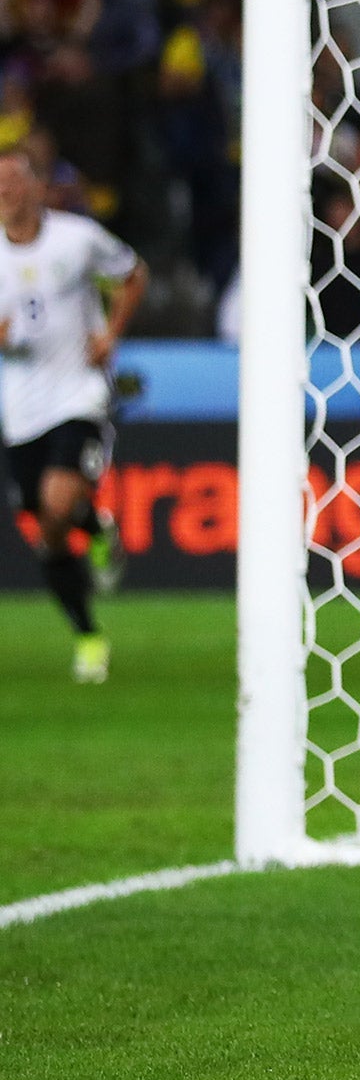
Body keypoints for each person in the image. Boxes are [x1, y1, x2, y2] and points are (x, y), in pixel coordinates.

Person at [0, 149, 146, 682]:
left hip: (78, 395)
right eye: (1, 186)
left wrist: (111, 334)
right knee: (48, 530)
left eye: (16, 182)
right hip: (20, 410)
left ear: (38, 188)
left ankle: (85, 520)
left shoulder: (77, 239)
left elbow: (133, 274)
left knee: (56, 502)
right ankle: (88, 632)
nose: (8, 193)